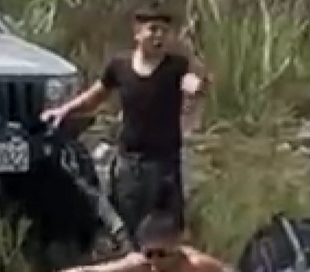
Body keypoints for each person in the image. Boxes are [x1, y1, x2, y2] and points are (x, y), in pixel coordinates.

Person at [41, 0, 209, 246]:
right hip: (129, 162)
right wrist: (63, 111)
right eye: (153, 29)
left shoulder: (176, 68)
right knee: (129, 228)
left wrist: (197, 87)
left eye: (164, 30)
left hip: (164, 164)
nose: (159, 36)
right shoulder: (119, 67)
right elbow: (94, 97)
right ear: (137, 32)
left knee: (166, 230)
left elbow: (194, 84)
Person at [11, 211, 237, 272]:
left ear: (177, 247)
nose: (155, 261)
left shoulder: (201, 268)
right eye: (150, 254)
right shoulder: (142, 266)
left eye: (162, 254)